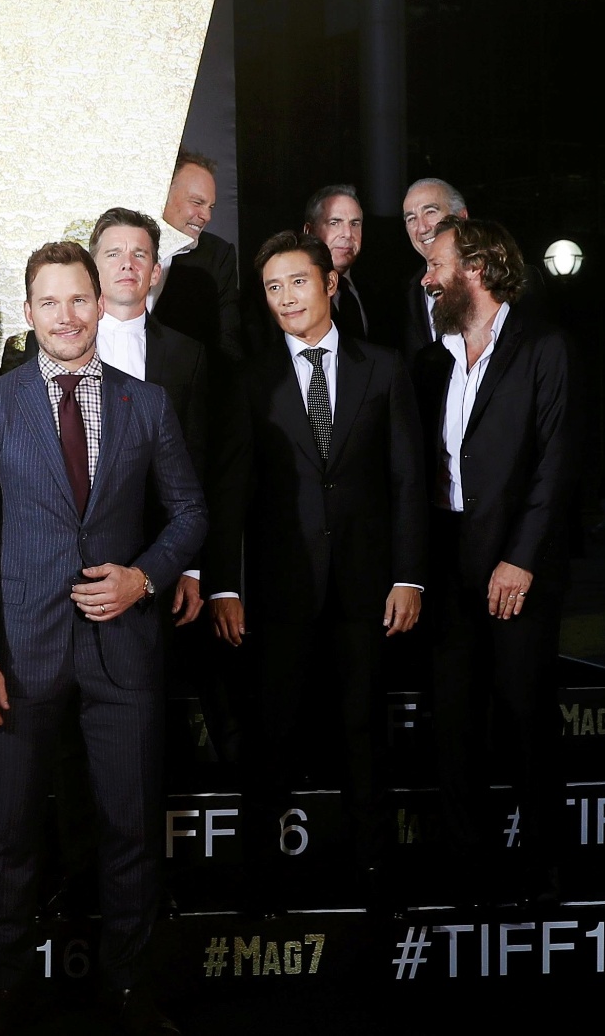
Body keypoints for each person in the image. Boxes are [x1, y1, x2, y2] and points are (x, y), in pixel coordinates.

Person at [0, 242, 206, 1036]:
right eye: (49, 302)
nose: (66, 316)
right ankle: (10, 985)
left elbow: (191, 513)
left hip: (123, 650)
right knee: (11, 830)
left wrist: (144, 577)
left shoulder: (146, 403)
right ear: (28, 312)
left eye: (78, 300)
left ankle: (127, 988)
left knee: (129, 827)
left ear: (101, 305)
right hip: (18, 657)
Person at [211, 231, 424, 913]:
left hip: (367, 589)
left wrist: (409, 576)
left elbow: (408, 480)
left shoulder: (384, 368)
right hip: (278, 593)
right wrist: (225, 584)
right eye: (272, 287)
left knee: (363, 731)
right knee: (271, 736)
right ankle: (260, 883)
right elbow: (232, 490)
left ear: (329, 283)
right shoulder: (249, 379)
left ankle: (375, 877)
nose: (285, 298)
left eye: (296, 282)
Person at [413, 218, 572, 906]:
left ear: (475, 267)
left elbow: (557, 465)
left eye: (437, 263)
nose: (427, 277)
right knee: (454, 720)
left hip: (516, 568)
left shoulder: (544, 346)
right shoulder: (430, 358)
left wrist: (521, 559)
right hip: (445, 565)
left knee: (525, 715)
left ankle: (544, 866)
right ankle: (465, 866)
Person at [153, 148, 242, 364]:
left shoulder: (217, 256)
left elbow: (227, 342)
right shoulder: (120, 246)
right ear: (164, 194)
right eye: (197, 203)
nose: (207, 216)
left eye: (210, 206)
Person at [400, 177, 468, 353]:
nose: (422, 228)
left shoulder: (500, 281)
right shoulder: (402, 296)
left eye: (430, 212)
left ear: (462, 216)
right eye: (411, 219)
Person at [304, 184, 370, 341]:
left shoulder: (376, 292)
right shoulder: (289, 293)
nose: (348, 234)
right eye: (335, 223)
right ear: (309, 231)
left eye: (354, 224)